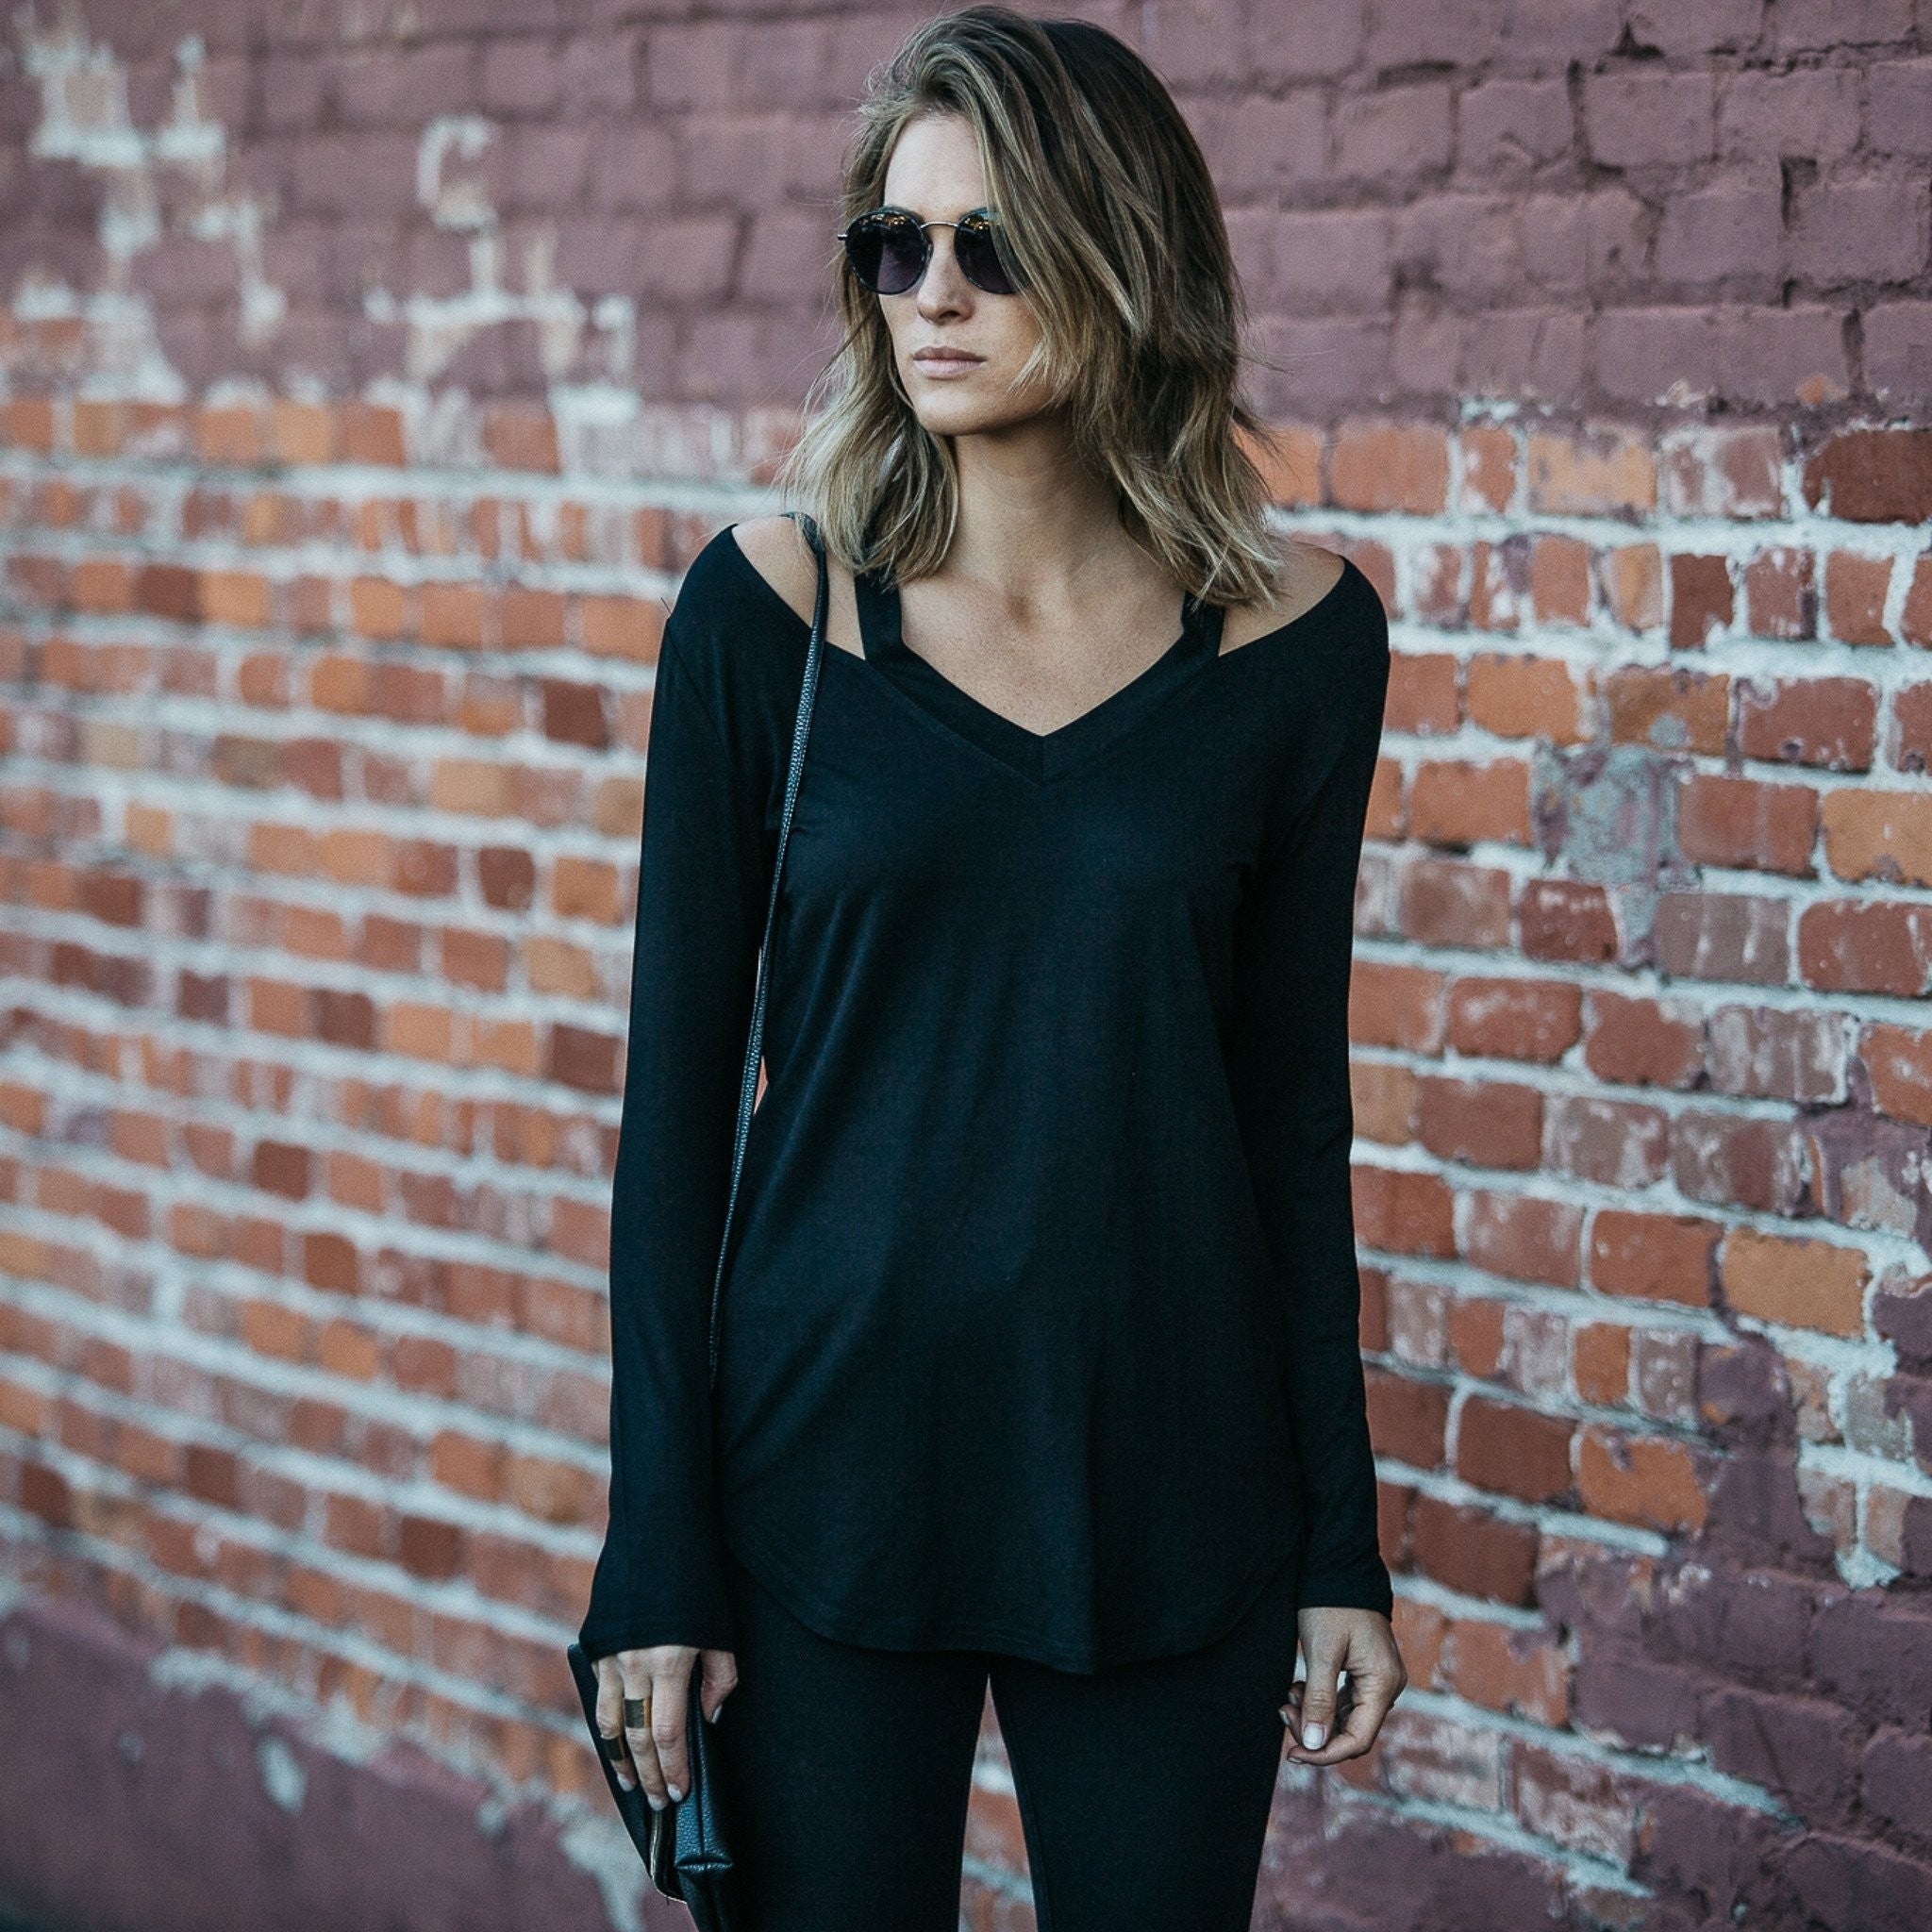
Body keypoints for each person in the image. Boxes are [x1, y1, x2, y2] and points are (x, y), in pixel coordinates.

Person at [575, 8, 1407, 1925]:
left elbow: (1289, 1110)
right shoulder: (766, 614)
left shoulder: (1297, 644)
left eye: (989, 246)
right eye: (892, 242)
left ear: (1121, 259)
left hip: (1166, 1491)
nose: (925, 296)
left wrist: (1334, 1544)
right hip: (820, 1491)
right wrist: (657, 1552)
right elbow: (674, 1121)